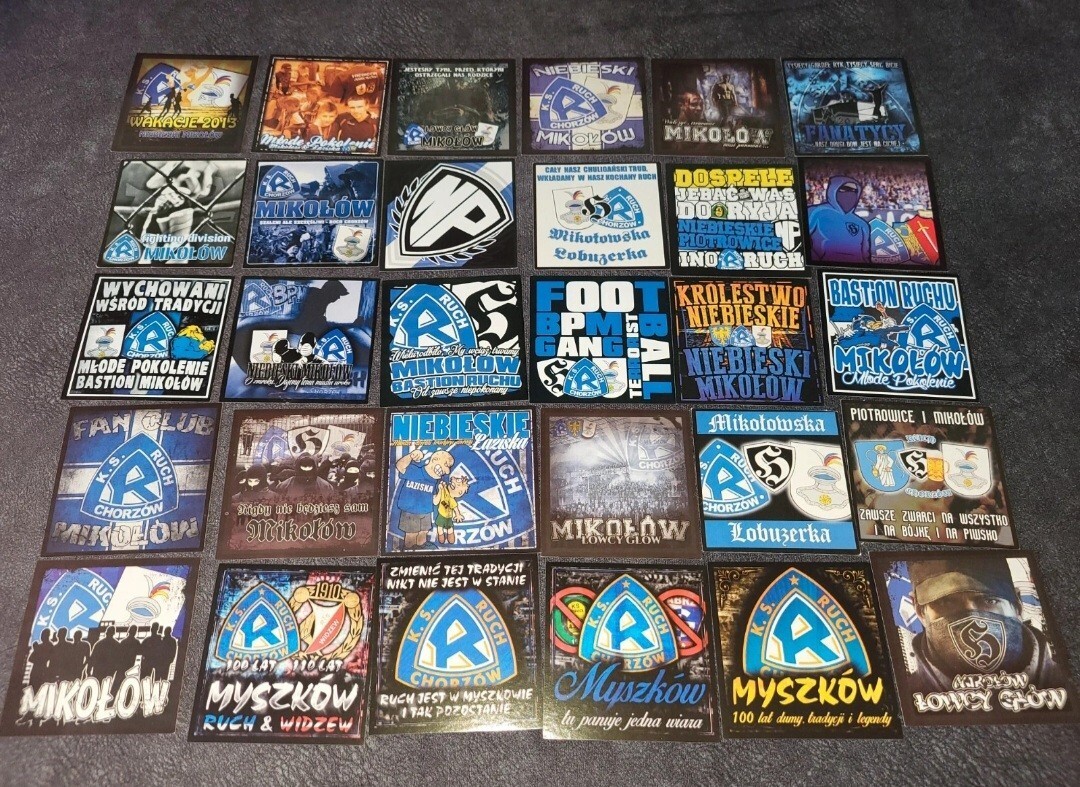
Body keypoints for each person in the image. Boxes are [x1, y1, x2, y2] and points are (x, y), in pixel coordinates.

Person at [905, 557, 1071, 693]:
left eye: (989, 600)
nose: (972, 616)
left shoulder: (1070, 685)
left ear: (1017, 603)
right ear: (919, 610)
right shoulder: (905, 696)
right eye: (945, 602)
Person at [393, 448, 453, 549]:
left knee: (424, 532)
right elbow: (399, 466)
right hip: (410, 512)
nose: (447, 471)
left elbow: (435, 501)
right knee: (411, 535)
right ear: (435, 460)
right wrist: (411, 456)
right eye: (446, 465)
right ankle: (409, 551)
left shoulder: (435, 481)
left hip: (426, 512)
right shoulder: (416, 471)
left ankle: (422, 548)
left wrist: (441, 491)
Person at [807, 175, 870, 264]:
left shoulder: (862, 224)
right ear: (834, 189)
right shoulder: (816, 212)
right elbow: (801, 239)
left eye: (854, 191)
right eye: (845, 189)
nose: (850, 194)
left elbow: (866, 255)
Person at [434, 474, 471, 544]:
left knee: (450, 528)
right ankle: (441, 538)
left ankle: (450, 538)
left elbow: (455, 508)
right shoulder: (444, 491)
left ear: (460, 493)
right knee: (440, 528)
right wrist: (441, 487)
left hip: (449, 517)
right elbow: (439, 499)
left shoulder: (452, 500)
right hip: (441, 515)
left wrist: (458, 515)